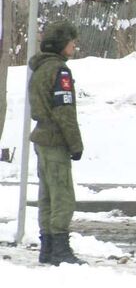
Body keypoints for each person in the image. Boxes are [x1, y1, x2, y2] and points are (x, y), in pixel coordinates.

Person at [28, 20, 84, 265]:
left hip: (41, 137)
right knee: (62, 194)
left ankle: (47, 247)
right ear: (62, 45)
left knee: (46, 194)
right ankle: (60, 249)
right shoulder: (60, 71)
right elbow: (64, 111)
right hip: (55, 139)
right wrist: (75, 144)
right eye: (72, 42)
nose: (74, 46)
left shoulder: (39, 68)